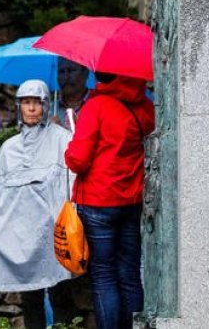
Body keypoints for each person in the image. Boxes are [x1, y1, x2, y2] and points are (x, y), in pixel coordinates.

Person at [0, 80, 74, 329]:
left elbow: (71, 184)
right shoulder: (8, 149)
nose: (31, 108)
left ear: (45, 105)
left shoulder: (62, 140)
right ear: (19, 106)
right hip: (20, 235)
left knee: (60, 294)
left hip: (53, 232)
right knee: (29, 296)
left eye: (36, 102)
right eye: (26, 102)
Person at [64, 73, 154, 329]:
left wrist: (69, 150)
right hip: (132, 201)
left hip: (98, 202)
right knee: (130, 274)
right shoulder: (145, 106)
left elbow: (78, 160)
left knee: (104, 276)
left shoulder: (97, 106)